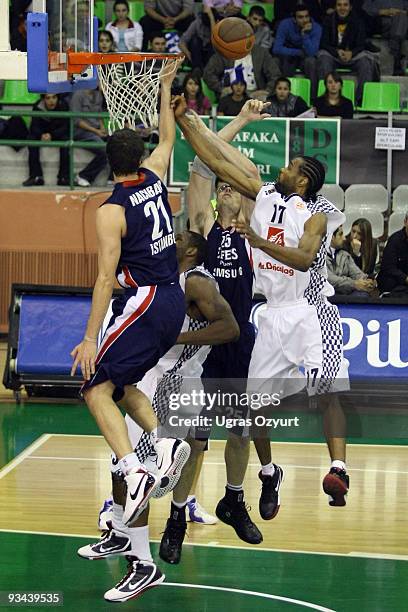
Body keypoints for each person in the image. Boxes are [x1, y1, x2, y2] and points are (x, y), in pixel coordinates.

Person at [174, 99, 351, 512]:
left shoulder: (318, 214)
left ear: (303, 182)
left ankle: (338, 469)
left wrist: (258, 242)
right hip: (270, 313)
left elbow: (306, 258)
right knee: (255, 409)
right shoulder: (266, 194)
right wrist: (186, 120)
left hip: (310, 311)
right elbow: (218, 157)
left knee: (326, 390)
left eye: (290, 167)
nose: (281, 169)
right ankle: (269, 472)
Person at [77, 229, 239, 602]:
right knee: (122, 459)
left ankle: (143, 564)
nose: (172, 239)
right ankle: (119, 532)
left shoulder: (196, 280)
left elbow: (230, 328)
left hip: (173, 385)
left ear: (194, 250)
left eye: (180, 237)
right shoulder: (162, 278)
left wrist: (174, 338)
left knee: (140, 474)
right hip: (149, 378)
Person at [70, 61, 190, 543]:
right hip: (173, 300)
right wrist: (163, 88)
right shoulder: (156, 176)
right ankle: (164, 444)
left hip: (143, 300)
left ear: (108, 161)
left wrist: (87, 337)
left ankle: (133, 468)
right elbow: (168, 138)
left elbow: (104, 279)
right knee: (121, 385)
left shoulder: (111, 209)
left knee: (94, 388)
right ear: (138, 158)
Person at [159, 101, 282, 566]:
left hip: (243, 346)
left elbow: (240, 168)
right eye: (221, 187)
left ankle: (234, 497)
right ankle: (175, 518)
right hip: (204, 350)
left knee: (241, 432)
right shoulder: (204, 227)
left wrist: (243, 139)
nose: (226, 188)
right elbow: (202, 163)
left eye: (234, 187)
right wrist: (240, 121)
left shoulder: (255, 232)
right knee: (195, 441)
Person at [317, 0, 379, 106]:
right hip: (334, 55)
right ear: (335, 7)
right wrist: (336, 52)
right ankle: (325, 97)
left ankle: (361, 99)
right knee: (323, 57)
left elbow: (361, 44)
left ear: (350, 7)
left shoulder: (358, 21)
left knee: (366, 61)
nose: (342, 8)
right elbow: (324, 43)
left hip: (353, 55)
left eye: (345, 5)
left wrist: (352, 53)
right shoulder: (328, 20)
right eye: (339, 5)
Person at [273, 4, 321, 100]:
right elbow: (276, 49)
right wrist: (298, 52)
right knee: (283, 61)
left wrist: (305, 35)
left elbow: (312, 52)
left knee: (311, 61)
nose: (304, 20)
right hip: (289, 56)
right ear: (294, 19)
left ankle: (312, 99)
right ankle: (283, 98)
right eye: (300, 17)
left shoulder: (316, 28)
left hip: (305, 58)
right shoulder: (285, 24)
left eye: (306, 16)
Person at [22, 93, 69, 187]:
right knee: (31, 140)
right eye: (48, 98)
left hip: (56, 134)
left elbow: (65, 126)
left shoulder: (63, 105)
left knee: (66, 142)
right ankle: (36, 176)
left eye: (54, 97)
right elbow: (34, 125)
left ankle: (63, 177)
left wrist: (52, 135)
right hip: (42, 134)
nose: (51, 101)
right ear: (43, 99)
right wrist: (41, 135)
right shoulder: (37, 106)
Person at [203, 45, 279, 101]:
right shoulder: (225, 52)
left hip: (255, 93)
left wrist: (267, 91)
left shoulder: (261, 53)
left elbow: (275, 75)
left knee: (264, 99)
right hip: (231, 93)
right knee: (226, 97)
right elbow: (208, 73)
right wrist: (221, 88)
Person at [70, 87, 108, 187]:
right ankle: (83, 176)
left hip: (97, 131)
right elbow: (77, 120)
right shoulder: (78, 95)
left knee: (116, 143)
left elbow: (99, 115)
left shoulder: (98, 95)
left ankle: (112, 178)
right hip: (81, 131)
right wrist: (96, 131)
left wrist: (102, 128)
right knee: (104, 150)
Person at [362, 0, 408, 75]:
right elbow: (365, 9)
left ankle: (395, 54)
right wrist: (385, 11)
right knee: (400, 23)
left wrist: (399, 12)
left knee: (401, 19)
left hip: (399, 23)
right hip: (380, 22)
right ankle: (397, 59)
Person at [327, 226, 376, 295]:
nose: (344, 238)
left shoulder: (344, 254)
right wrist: (354, 284)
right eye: (340, 234)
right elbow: (329, 279)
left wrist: (367, 281)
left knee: (362, 294)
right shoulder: (319, 256)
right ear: (331, 237)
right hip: (327, 294)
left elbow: (356, 273)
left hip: (345, 292)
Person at [377, 210, 408, 296]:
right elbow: (388, 268)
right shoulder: (394, 240)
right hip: (395, 282)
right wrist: (405, 278)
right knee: (389, 281)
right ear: (405, 222)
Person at [179, 4, 218, 71]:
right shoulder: (197, 22)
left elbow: (215, 38)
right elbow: (182, 42)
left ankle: (208, 70)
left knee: (214, 44)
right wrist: (188, 53)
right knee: (195, 40)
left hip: (211, 53)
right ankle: (197, 69)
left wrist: (211, 17)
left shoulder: (218, 25)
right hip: (197, 54)